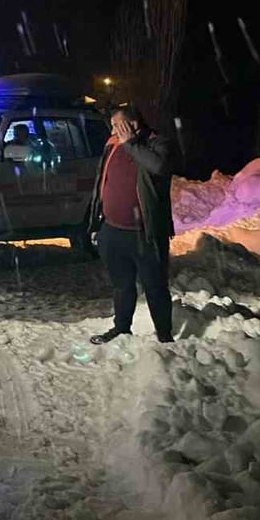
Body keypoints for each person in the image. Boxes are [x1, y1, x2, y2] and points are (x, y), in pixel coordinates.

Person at [87, 103, 176, 344]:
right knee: (121, 286)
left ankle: (165, 337)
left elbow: (158, 166)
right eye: (113, 125)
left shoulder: (157, 143)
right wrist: (97, 223)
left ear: (134, 123)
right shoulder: (112, 144)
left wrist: (131, 144)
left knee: (155, 288)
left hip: (145, 234)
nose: (113, 129)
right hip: (113, 230)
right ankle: (121, 329)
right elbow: (101, 181)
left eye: (118, 125)